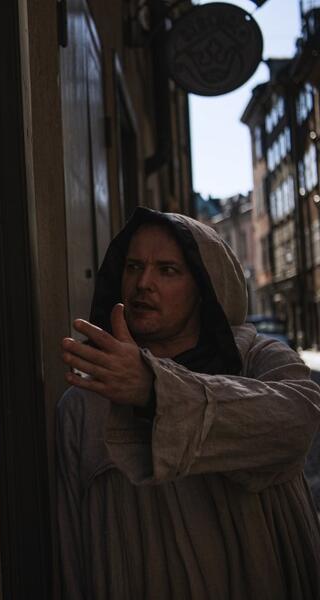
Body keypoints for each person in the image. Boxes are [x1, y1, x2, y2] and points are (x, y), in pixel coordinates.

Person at [58, 207, 320, 599]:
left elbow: (298, 420)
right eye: (133, 267)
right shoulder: (87, 402)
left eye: (167, 270)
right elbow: (71, 551)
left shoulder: (257, 360)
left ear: (204, 286)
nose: (143, 283)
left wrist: (155, 390)